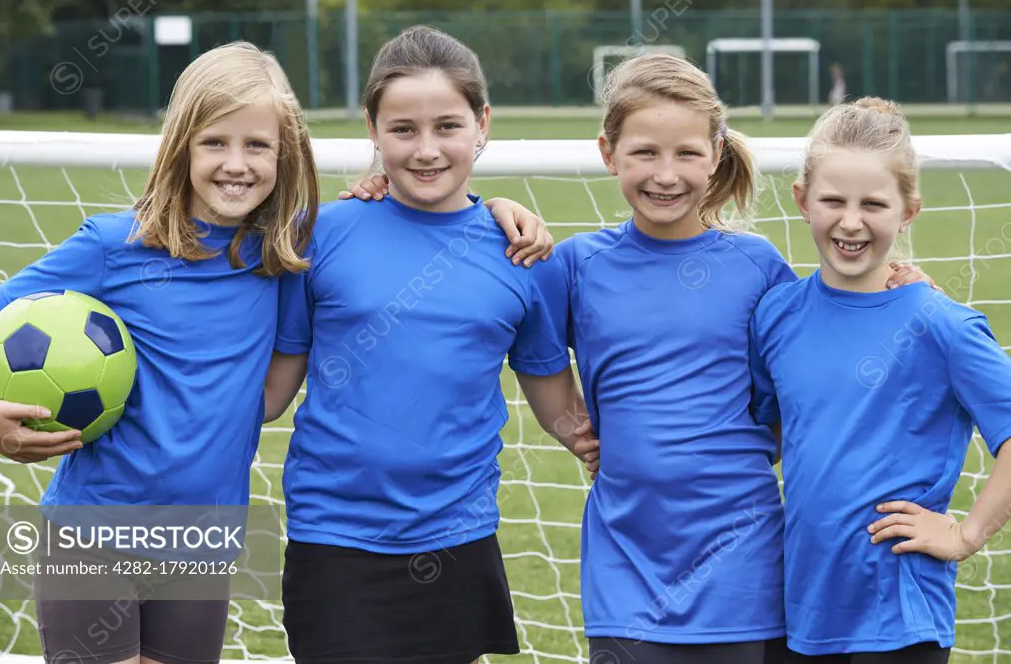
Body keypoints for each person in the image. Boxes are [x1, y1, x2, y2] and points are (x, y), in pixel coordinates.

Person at [344, 54, 934, 664]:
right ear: (608, 153)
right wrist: (575, 430)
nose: (666, 175)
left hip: (744, 563)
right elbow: (510, 327)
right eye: (644, 153)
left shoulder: (759, 269)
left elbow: (816, 367)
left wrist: (909, 292)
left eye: (686, 154)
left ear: (716, 153)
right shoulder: (574, 266)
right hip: (624, 564)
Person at [0, 40, 553, 664]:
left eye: (257, 145)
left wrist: (500, 209)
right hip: (90, 530)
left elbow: (404, 229)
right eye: (214, 143)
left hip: (203, 535)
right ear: (180, 147)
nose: (237, 164)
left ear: (286, 155)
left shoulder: (284, 251)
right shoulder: (116, 243)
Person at [263, 25, 583, 664]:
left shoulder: (524, 254)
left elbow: (560, 410)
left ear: (482, 123)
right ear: (372, 129)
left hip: (455, 538)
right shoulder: (319, 233)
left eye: (448, 126)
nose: (427, 149)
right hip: (335, 536)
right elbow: (271, 392)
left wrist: (623, 448)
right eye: (403, 129)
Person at [749, 97, 1011, 664]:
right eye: (832, 200)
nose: (850, 221)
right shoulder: (776, 315)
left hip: (898, 620)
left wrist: (966, 535)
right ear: (801, 199)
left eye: (873, 203)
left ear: (908, 210)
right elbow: (767, 438)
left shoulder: (942, 325)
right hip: (796, 607)